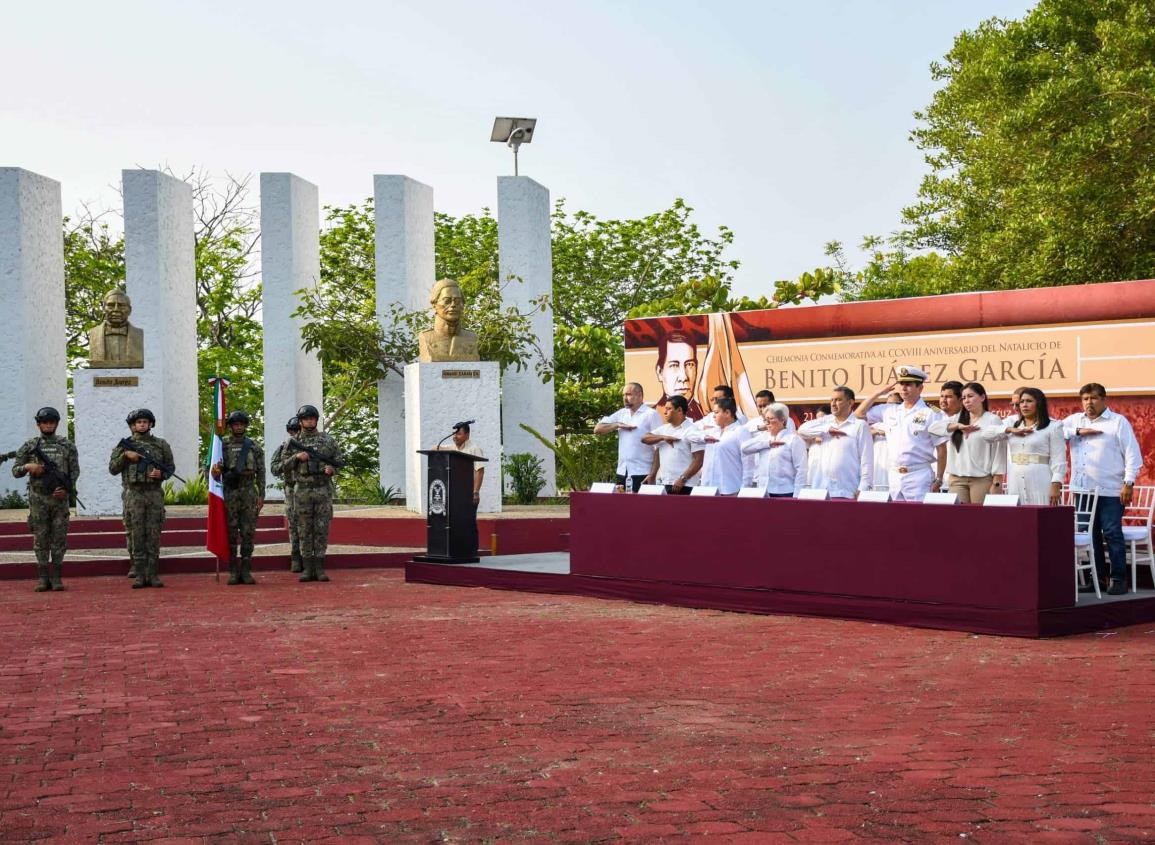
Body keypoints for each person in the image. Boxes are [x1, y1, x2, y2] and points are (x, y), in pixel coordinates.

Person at [1064, 383, 1144, 595]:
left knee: (1111, 532)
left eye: (1094, 398)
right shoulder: (1073, 421)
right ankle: (1097, 579)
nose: (1089, 402)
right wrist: (1078, 431)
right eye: (1085, 399)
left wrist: (1128, 483)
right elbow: (1054, 432)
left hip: (1111, 489)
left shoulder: (1118, 422)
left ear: (1104, 399)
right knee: (1089, 535)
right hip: (1082, 490)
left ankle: (1118, 578)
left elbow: (1133, 455)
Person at [11, 407, 79, 592]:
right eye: (45, 422)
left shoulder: (67, 445)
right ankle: (42, 577)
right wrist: (28, 466)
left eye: (52, 422)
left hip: (59, 500)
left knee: (59, 538)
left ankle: (56, 577)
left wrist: (66, 490)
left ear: (57, 423)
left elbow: (74, 472)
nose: (48, 425)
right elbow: (15, 470)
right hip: (38, 499)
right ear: (39, 424)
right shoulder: (30, 445)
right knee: (40, 538)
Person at [856, 366, 948, 501]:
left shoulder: (932, 413)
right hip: (894, 475)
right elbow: (858, 415)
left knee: (918, 518)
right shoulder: (889, 410)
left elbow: (941, 449)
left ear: (920, 388)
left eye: (909, 385)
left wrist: (939, 479)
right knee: (896, 518)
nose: (904, 388)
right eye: (901, 384)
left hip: (919, 475)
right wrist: (878, 393)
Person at [110, 408, 175, 588]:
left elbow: (170, 468)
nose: (142, 425)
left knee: (154, 533)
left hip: (154, 493)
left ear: (151, 424)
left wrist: (161, 474)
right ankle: (139, 574)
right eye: (138, 422)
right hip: (133, 494)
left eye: (145, 422)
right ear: (132, 426)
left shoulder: (161, 445)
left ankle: (153, 574)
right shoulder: (124, 445)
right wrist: (125, 456)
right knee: (136, 533)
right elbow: (113, 469)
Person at [281, 404, 344, 582]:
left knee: (322, 529)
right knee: (304, 530)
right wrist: (296, 458)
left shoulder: (328, 440)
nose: (309, 422)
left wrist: (332, 470)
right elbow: (279, 467)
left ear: (316, 420)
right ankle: (307, 568)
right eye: (306, 419)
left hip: (323, 490)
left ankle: (320, 568)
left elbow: (339, 462)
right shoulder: (292, 443)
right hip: (301, 491)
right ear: (300, 421)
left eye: (312, 418)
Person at [928, 382, 1006, 504]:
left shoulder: (992, 419)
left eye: (970, 396)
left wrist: (997, 481)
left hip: (981, 479)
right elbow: (932, 429)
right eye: (964, 398)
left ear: (982, 397)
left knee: (980, 519)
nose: (966, 401)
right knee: (959, 520)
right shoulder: (957, 418)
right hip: (957, 479)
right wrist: (958, 426)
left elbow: (999, 452)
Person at [211, 410, 265, 585]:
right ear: (231, 426)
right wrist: (215, 473)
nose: (239, 427)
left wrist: (262, 493)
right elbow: (211, 471)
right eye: (235, 424)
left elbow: (261, 471)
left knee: (248, 532)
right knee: (231, 532)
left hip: (249, 491)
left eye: (241, 424)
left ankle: (246, 570)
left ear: (245, 426)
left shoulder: (254, 447)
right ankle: (233, 571)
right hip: (230, 492)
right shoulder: (222, 446)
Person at [797, 387, 873, 499]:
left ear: (850, 402)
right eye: (831, 400)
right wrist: (826, 429)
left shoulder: (859, 425)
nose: (833, 404)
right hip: (821, 490)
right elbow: (802, 430)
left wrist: (864, 487)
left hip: (847, 490)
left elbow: (867, 459)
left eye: (838, 400)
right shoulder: (826, 421)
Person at [594, 383, 660, 492]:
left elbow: (659, 446)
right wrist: (617, 424)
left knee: (642, 507)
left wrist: (653, 473)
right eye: (624, 395)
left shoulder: (651, 414)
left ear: (640, 395)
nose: (625, 398)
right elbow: (597, 429)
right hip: (622, 471)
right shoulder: (621, 414)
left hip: (643, 471)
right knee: (622, 507)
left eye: (629, 394)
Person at [1005, 388, 1065, 506]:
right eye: (1021, 402)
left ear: (1039, 403)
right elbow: (987, 434)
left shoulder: (1053, 426)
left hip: (1041, 479)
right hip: (1015, 479)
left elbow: (1059, 459)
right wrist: (1010, 429)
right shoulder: (1012, 425)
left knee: (1043, 518)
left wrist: (1056, 484)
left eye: (1029, 401)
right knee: (1017, 520)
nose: (1024, 405)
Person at [642, 395, 704, 494]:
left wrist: (683, 479)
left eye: (669, 409)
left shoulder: (692, 430)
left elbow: (699, 459)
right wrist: (663, 437)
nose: (665, 412)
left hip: (686, 485)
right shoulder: (663, 429)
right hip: (664, 483)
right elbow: (644, 438)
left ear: (679, 410)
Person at [742, 403, 806, 497]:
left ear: (782, 420)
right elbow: (744, 448)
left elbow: (801, 469)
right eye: (765, 420)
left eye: (771, 419)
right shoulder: (764, 437)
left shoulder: (793, 439)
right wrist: (768, 444)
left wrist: (797, 495)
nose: (767, 423)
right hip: (764, 491)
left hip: (785, 491)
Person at [444, 421, 485, 554]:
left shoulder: (474, 449)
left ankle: (472, 551)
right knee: (457, 522)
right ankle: (459, 550)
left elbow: (479, 471)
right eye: (454, 434)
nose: (455, 436)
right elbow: (436, 448)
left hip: (469, 494)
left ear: (467, 434)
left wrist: (476, 492)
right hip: (455, 494)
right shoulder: (454, 449)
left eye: (459, 434)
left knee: (469, 523)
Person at [269, 417, 304, 573]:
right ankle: (296, 557)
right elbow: (275, 469)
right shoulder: (284, 448)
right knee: (294, 524)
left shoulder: (311, 447)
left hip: (309, 489)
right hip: (291, 490)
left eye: (298, 429)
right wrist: (293, 459)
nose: (295, 433)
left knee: (310, 525)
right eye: (292, 430)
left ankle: (311, 559)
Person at [417, 278, 480, 362]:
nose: (453, 305)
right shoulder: (426, 337)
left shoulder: (471, 337)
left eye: (458, 301)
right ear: (434, 304)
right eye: (447, 301)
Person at [87, 287, 145, 368]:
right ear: (104, 308)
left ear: (130, 310)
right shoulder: (94, 334)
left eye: (122, 306)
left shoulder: (139, 335)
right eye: (111, 305)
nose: (116, 309)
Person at [653, 331, 704, 420]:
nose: (683, 377)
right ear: (660, 372)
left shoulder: (707, 415)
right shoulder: (651, 417)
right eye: (674, 365)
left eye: (689, 364)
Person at [709, 397, 750, 495]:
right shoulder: (713, 432)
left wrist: (745, 487)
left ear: (727, 413)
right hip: (711, 488)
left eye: (716, 412)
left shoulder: (740, 431)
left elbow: (748, 461)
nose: (713, 416)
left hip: (733, 488)